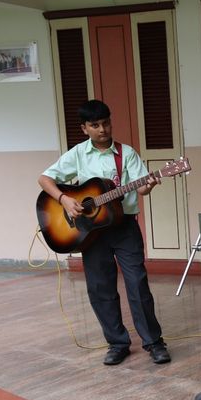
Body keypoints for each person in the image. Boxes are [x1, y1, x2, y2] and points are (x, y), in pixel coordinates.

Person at [38, 99, 170, 366]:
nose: (102, 129)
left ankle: (154, 342)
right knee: (100, 288)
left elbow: (141, 188)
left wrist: (151, 183)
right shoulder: (77, 154)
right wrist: (64, 199)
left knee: (137, 284)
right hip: (91, 233)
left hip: (124, 227)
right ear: (84, 128)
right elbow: (45, 179)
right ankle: (117, 343)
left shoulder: (126, 153)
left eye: (106, 123)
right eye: (95, 125)